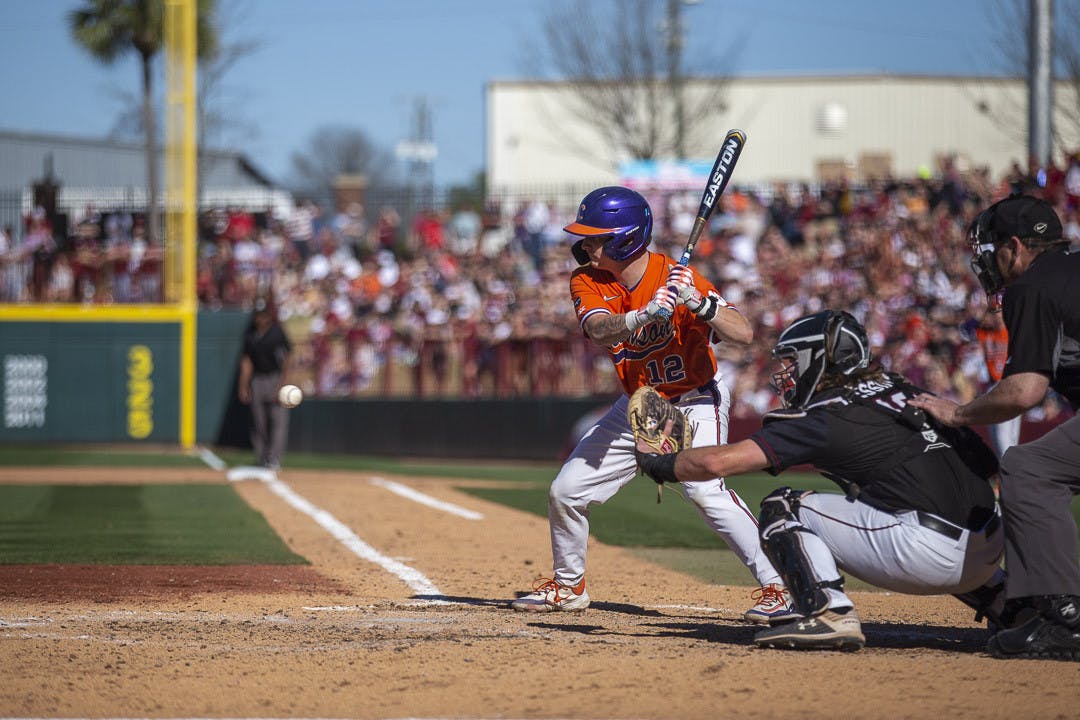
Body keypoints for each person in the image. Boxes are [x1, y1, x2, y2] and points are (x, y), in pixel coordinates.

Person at [634, 309, 1006, 651]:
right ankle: (1011, 606)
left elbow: (718, 462)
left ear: (821, 360)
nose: (788, 374)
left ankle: (829, 614)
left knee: (783, 506)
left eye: (795, 362)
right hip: (989, 552)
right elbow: (987, 465)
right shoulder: (904, 390)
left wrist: (657, 463)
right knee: (910, 500)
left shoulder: (826, 415)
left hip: (926, 555)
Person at [510, 186, 793, 623]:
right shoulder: (586, 278)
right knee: (566, 491)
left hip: (695, 398)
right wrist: (640, 316)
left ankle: (780, 585)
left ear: (625, 237)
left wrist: (701, 304)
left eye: (596, 236)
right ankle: (569, 586)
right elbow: (602, 330)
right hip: (638, 403)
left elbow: (743, 333)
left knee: (703, 489)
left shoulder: (678, 277)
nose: (585, 244)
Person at [909, 195, 1080, 661]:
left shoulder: (1034, 285)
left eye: (994, 249)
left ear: (1017, 246)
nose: (989, 260)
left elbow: (1024, 391)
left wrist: (958, 413)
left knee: (1027, 469)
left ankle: (1061, 618)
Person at [238, 298, 294, 471]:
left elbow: (287, 359)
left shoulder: (277, 333)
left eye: (264, 315)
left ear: (269, 316)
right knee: (258, 421)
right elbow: (247, 362)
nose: (261, 319)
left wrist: (281, 385)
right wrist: (243, 385)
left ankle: (274, 458)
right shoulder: (250, 335)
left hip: (275, 378)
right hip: (257, 380)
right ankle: (262, 457)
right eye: (258, 315)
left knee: (278, 420)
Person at [972, 309, 1021, 458]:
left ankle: (1012, 474)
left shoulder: (1012, 332)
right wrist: (985, 315)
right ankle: (1009, 474)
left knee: (1005, 439)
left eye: (1000, 314)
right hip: (993, 387)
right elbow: (974, 321)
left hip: (1010, 385)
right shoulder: (985, 333)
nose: (997, 317)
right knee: (997, 438)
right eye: (994, 314)